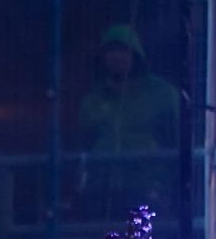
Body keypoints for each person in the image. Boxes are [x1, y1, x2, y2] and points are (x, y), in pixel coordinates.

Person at [76, 22, 180, 221]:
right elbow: (84, 146)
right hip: (103, 192)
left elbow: (176, 141)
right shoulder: (92, 101)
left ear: (136, 54)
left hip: (147, 189)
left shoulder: (162, 94)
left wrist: (163, 184)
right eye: (111, 50)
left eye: (124, 50)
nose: (117, 56)